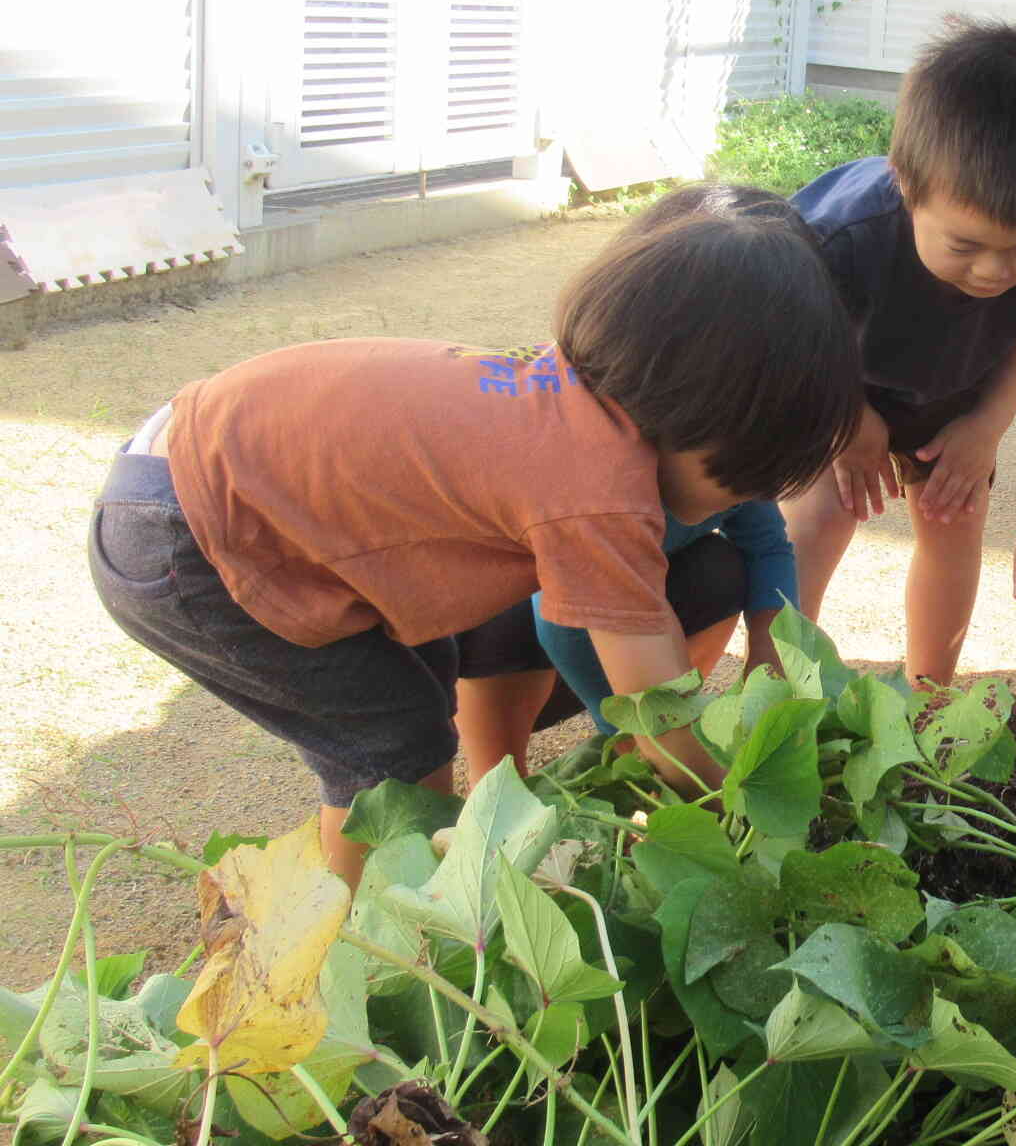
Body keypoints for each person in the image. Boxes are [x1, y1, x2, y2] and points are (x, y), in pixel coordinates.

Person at [86, 198, 863, 884]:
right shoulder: (597, 487)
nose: (747, 498)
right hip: (193, 527)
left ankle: (365, 900)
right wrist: (738, 802)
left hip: (197, 475)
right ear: (701, 424)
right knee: (392, 745)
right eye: (744, 477)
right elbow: (652, 703)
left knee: (423, 678)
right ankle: (360, 945)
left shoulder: (567, 396)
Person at [783, 16, 1016, 688]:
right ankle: (776, 682)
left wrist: (987, 427)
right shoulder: (842, 235)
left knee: (955, 522)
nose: (992, 272)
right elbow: (793, 336)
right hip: (836, 382)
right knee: (819, 516)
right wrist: (849, 421)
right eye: (964, 246)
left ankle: (928, 696)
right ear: (906, 183)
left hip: (957, 397)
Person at [451, 184, 816, 765]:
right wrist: (624, 728)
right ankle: (497, 774)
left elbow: (768, 545)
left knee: (722, 570)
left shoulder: (729, 430)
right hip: (503, 619)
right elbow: (561, 615)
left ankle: (669, 716)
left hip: (614, 611)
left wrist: (769, 658)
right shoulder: (594, 453)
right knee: (503, 626)